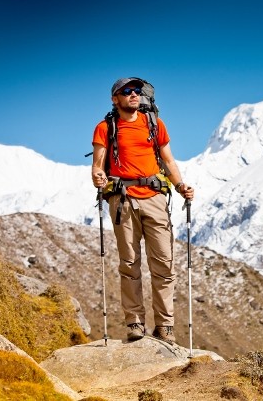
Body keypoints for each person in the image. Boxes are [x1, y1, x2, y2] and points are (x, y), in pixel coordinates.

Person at [90, 77, 194, 344]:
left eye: (136, 90)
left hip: (155, 198)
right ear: (116, 99)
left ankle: (165, 326)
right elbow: (98, 166)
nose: (133, 94)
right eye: (127, 91)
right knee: (129, 264)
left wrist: (181, 185)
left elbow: (168, 160)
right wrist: (98, 178)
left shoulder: (154, 124)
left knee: (164, 264)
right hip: (123, 200)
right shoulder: (105, 128)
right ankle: (135, 323)